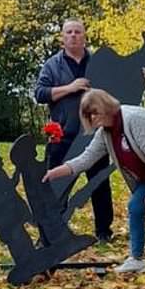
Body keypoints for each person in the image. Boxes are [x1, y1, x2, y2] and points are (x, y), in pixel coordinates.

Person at [43, 89, 145, 288]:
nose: (92, 118)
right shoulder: (106, 132)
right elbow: (87, 158)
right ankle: (137, 259)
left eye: (94, 112)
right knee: (135, 207)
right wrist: (57, 171)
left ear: (104, 107)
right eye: (88, 115)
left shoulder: (135, 119)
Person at [33, 19, 113, 242]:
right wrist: (70, 88)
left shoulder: (98, 63)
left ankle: (104, 232)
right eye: (69, 32)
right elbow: (40, 93)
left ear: (84, 36)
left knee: (99, 183)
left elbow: (113, 90)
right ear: (62, 37)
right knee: (57, 185)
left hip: (93, 135)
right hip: (62, 136)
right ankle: (53, 232)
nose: (74, 36)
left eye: (78, 32)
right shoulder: (52, 65)